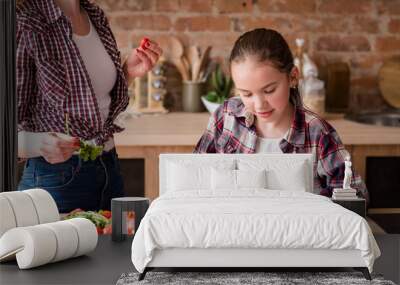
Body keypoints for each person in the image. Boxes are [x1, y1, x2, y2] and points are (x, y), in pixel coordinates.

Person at [16, 0, 162, 212]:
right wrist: (39, 143)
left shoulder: (94, 14)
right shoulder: (26, 21)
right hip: (56, 181)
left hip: (109, 168)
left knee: (116, 245)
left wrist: (127, 73)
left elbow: (94, 103)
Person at [194, 28, 369, 203]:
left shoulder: (318, 133)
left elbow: (358, 199)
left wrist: (318, 205)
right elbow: (194, 177)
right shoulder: (226, 116)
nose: (259, 104)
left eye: (269, 90)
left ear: (292, 77)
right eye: (246, 94)